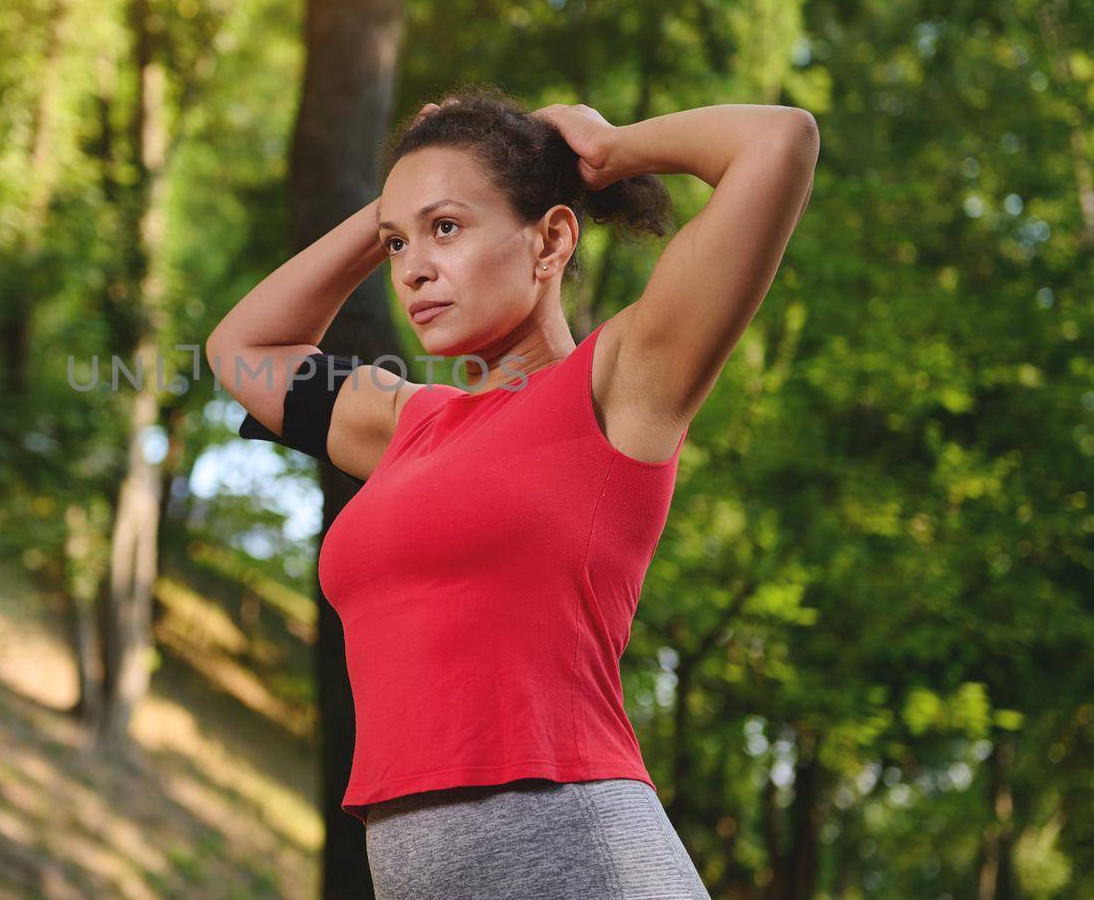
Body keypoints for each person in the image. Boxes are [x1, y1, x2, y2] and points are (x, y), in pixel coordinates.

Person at [207, 85, 819, 899]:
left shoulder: (619, 385)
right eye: (399, 247)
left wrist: (609, 148)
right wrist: (394, 209)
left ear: (551, 241)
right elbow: (243, 348)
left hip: (578, 850)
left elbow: (780, 142)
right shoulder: (408, 424)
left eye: (448, 228)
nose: (415, 267)